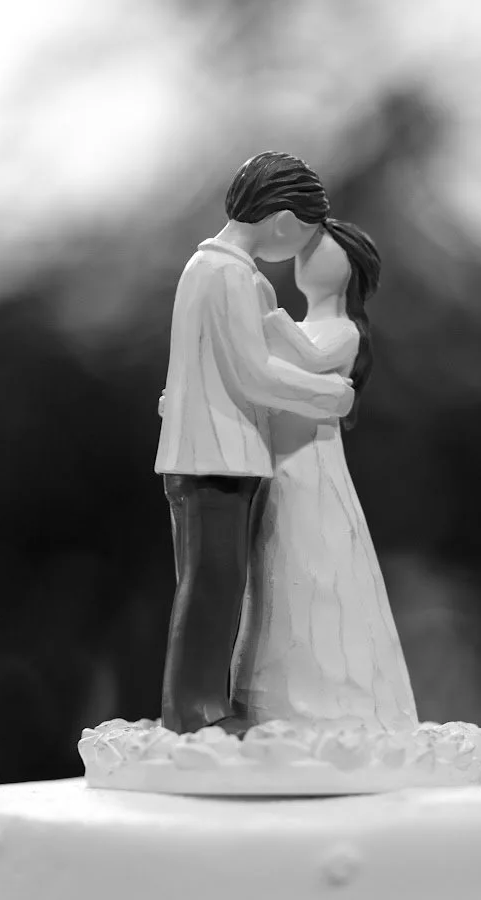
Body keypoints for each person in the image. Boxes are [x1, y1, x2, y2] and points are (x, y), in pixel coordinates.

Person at [154, 152, 354, 735]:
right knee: (213, 581)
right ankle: (194, 711)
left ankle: (199, 705)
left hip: (212, 447)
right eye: (302, 239)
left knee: (217, 579)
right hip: (214, 451)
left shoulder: (212, 270)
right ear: (284, 222)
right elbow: (254, 374)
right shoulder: (227, 273)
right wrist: (327, 396)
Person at [231, 220, 419, 733]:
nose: (306, 257)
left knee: (316, 554)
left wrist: (265, 316)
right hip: (279, 460)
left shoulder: (343, 331)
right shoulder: (299, 321)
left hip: (311, 461)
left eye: (319, 249)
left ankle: (334, 699)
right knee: (276, 562)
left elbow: (306, 356)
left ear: (349, 269)